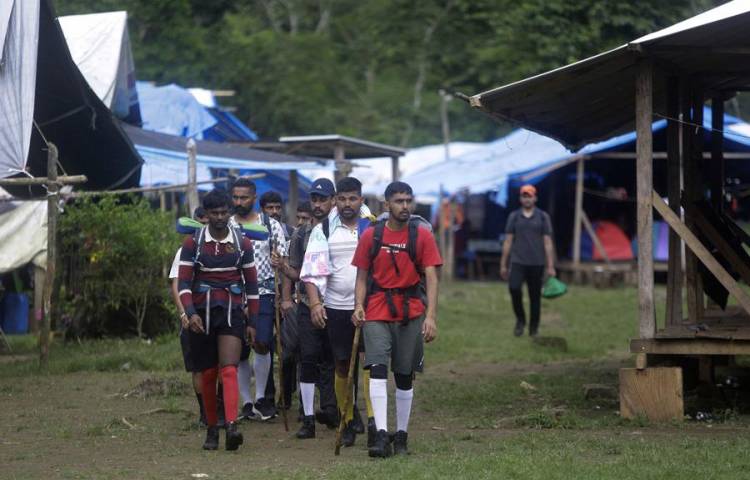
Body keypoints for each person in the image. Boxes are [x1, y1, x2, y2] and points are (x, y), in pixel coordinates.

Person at [351, 181, 442, 458]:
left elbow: (432, 276)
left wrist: (431, 317)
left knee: (404, 375)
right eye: (399, 201)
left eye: (408, 201)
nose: (405, 206)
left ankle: (401, 435)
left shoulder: (422, 235)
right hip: (377, 309)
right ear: (386, 204)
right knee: (376, 369)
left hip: (411, 310)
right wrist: (358, 305)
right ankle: (380, 435)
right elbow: (362, 276)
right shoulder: (372, 235)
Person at [178, 189, 259, 450]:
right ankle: (212, 429)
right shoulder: (193, 243)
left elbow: (252, 286)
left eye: (225, 212)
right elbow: (183, 284)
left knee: (229, 368)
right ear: (207, 214)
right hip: (201, 315)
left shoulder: (243, 243)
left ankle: (232, 426)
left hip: (232, 313)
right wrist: (190, 314)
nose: (220, 217)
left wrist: (252, 322)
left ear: (230, 213)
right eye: (215, 213)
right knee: (209, 372)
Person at [302, 177, 373, 447]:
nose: (347, 204)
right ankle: (348, 418)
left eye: (352, 198)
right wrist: (315, 304)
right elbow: (310, 271)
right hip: (336, 306)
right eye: (342, 199)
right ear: (335, 200)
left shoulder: (372, 226)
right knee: (342, 364)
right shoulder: (324, 230)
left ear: (361, 199)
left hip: (369, 306)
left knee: (371, 362)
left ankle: (375, 422)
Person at [276, 180, 338, 439]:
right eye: (314, 199)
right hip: (306, 303)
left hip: (336, 303)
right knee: (307, 358)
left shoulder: (341, 232)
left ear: (333, 200)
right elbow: (296, 272)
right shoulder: (301, 235)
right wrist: (283, 274)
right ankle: (308, 418)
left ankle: (334, 410)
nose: (318, 204)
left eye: (323, 199)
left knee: (335, 359)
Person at [230, 179, 288, 421]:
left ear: (254, 198)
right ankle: (246, 402)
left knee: (262, 343)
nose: (239, 202)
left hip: (263, 292)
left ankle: (262, 397)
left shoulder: (270, 225)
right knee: (240, 350)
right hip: (233, 293)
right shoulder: (227, 225)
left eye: (244, 198)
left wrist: (279, 262)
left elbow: (283, 260)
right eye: (236, 197)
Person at [500, 184, 556, 337]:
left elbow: (548, 242)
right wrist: (503, 264)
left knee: (535, 297)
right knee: (514, 288)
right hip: (518, 262)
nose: (527, 198)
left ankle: (534, 329)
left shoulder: (543, 217)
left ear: (535, 198)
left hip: (537, 263)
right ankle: (520, 320)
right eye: (524, 196)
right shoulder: (514, 217)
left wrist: (550, 265)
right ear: (520, 198)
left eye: (529, 195)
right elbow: (508, 241)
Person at [169, 207, 208, 426]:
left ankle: (219, 410)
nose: (203, 227)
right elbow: (177, 284)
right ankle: (204, 412)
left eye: (206, 222)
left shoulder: (223, 248)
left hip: (216, 313)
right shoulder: (185, 249)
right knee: (197, 367)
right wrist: (184, 312)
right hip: (191, 313)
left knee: (221, 366)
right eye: (199, 222)